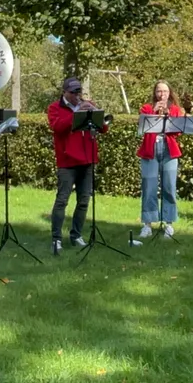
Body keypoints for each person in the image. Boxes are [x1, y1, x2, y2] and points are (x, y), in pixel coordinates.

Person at [47, 77, 108, 255]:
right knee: (62, 200)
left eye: (78, 91)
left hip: (88, 159)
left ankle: (76, 235)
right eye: (73, 92)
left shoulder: (87, 104)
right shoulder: (55, 108)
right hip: (67, 161)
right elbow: (57, 127)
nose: (76, 95)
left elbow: (103, 129)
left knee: (84, 200)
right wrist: (77, 113)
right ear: (64, 92)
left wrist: (95, 112)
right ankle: (56, 238)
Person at [137, 80, 183, 239]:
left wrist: (168, 114)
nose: (162, 94)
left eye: (165, 91)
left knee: (169, 186)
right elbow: (142, 128)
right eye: (159, 91)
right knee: (149, 187)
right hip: (150, 150)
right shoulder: (146, 108)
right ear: (155, 93)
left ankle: (168, 224)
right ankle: (147, 225)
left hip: (169, 151)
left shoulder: (175, 109)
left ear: (169, 93)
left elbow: (177, 132)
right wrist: (154, 112)